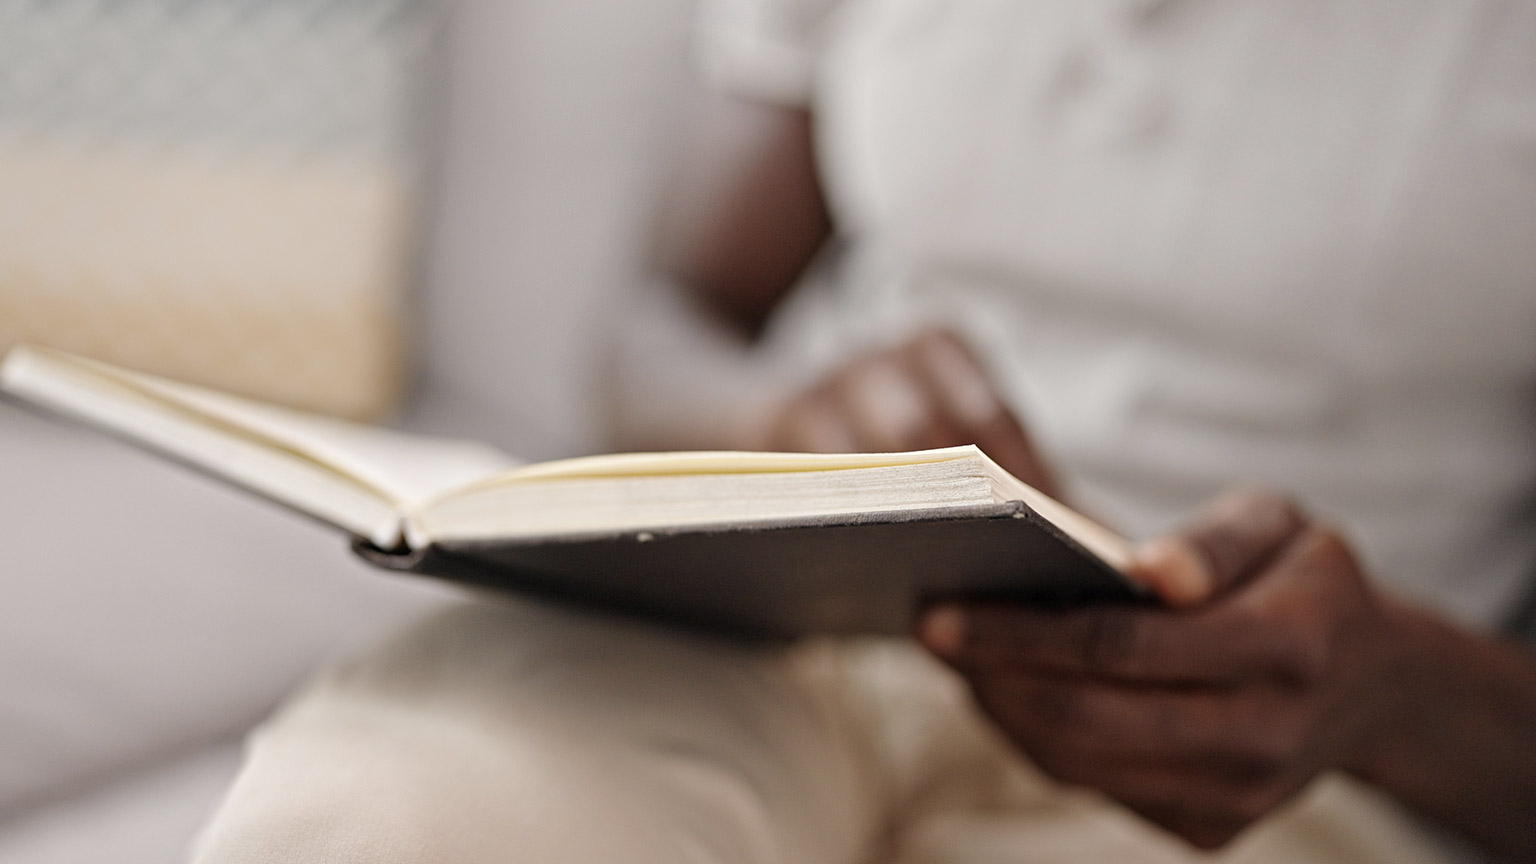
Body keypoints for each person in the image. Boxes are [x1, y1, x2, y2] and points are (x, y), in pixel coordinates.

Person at [190, 1, 1536, 861]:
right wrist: (773, 415)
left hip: (1281, 764)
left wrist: (1389, 690)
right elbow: (664, 321)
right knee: (399, 822)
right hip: (803, 627)